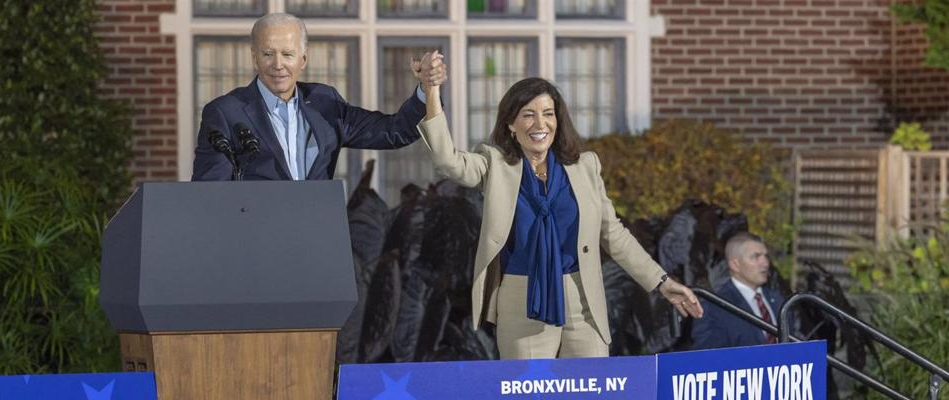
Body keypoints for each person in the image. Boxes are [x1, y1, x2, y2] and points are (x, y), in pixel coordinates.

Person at [417, 73, 702, 359]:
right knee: (530, 397)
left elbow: (613, 234)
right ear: (510, 124)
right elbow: (447, 161)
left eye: (548, 114)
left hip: (583, 299)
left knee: (591, 396)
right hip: (522, 301)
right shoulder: (495, 166)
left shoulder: (585, 166)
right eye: (528, 115)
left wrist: (662, 283)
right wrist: (431, 92)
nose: (540, 124)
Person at [192, 13, 446, 181]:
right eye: (268, 54)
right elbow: (211, 194)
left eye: (288, 54)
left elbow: (393, 131)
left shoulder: (326, 103)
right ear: (254, 58)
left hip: (317, 240)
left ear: (303, 59)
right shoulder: (226, 112)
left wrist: (426, 90)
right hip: (255, 247)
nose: (277, 64)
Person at [692, 231, 783, 350]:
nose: (765, 263)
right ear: (735, 265)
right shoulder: (714, 308)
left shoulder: (777, 299)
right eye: (756, 257)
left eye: (766, 256)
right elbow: (710, 359)